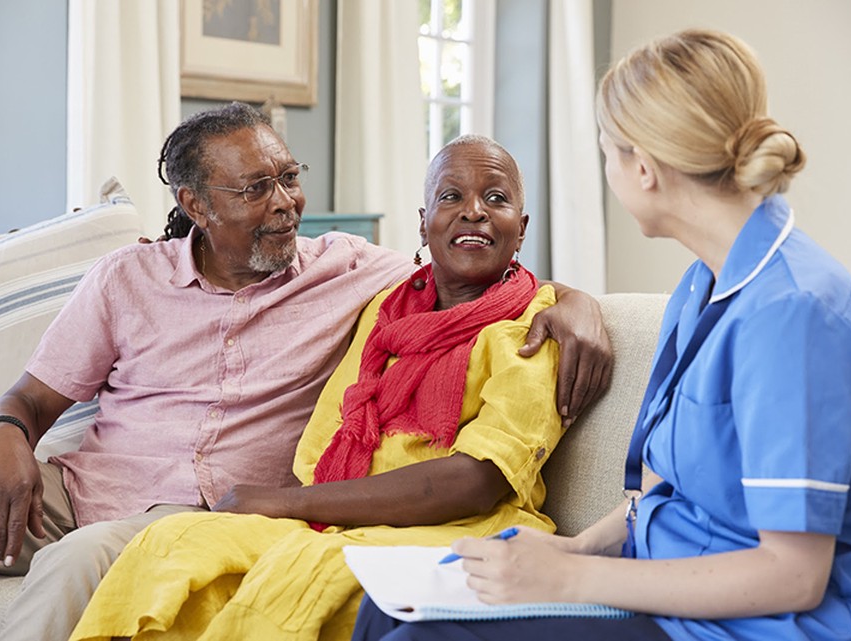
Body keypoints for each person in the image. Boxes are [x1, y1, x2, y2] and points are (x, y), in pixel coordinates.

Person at [0, 104, 610, 641]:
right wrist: (2, 430)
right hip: (79, 491)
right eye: (257, 188)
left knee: (77, 558)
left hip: (191, 516)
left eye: (289, 177)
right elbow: (28, 398)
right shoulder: (127, 277)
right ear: (195, 204)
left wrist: (578, 303)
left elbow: (473, 265)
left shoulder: (348, 269)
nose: (286, 201)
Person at [351, 29, 851, 641]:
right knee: (388, 609)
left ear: (643, 167)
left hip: (752, 626)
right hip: (660, 589)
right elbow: (667, 485)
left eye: (606, 151)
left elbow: (793, 577)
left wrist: (570, 580)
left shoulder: (796, 317)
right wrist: (575, 549)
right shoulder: (702, 285)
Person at [67, 134, 568, 640]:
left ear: (521, 230)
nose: (473, 212)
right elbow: (322, 445)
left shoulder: (535, 328)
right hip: (337, 514)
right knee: (172, 544)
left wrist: (284, 503)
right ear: (422, 222)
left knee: (295, 579)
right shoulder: (387, 307)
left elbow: (478, 481)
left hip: (454, 528)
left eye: (496, 199)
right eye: (450, 197)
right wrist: (301, 507)